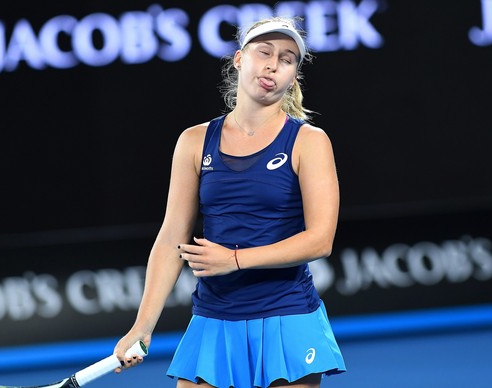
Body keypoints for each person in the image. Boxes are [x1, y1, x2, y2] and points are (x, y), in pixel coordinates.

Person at [113, 16, 346, 388]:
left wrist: (234, 260)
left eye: (286, 59)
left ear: (293, 77)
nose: (273, 64)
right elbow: (172, 235)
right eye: (263, 52)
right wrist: (141, 327)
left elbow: (320, 240)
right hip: (214, 318)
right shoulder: (193, 141)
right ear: (239, 59)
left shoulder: (309, 141)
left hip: (287, 316)